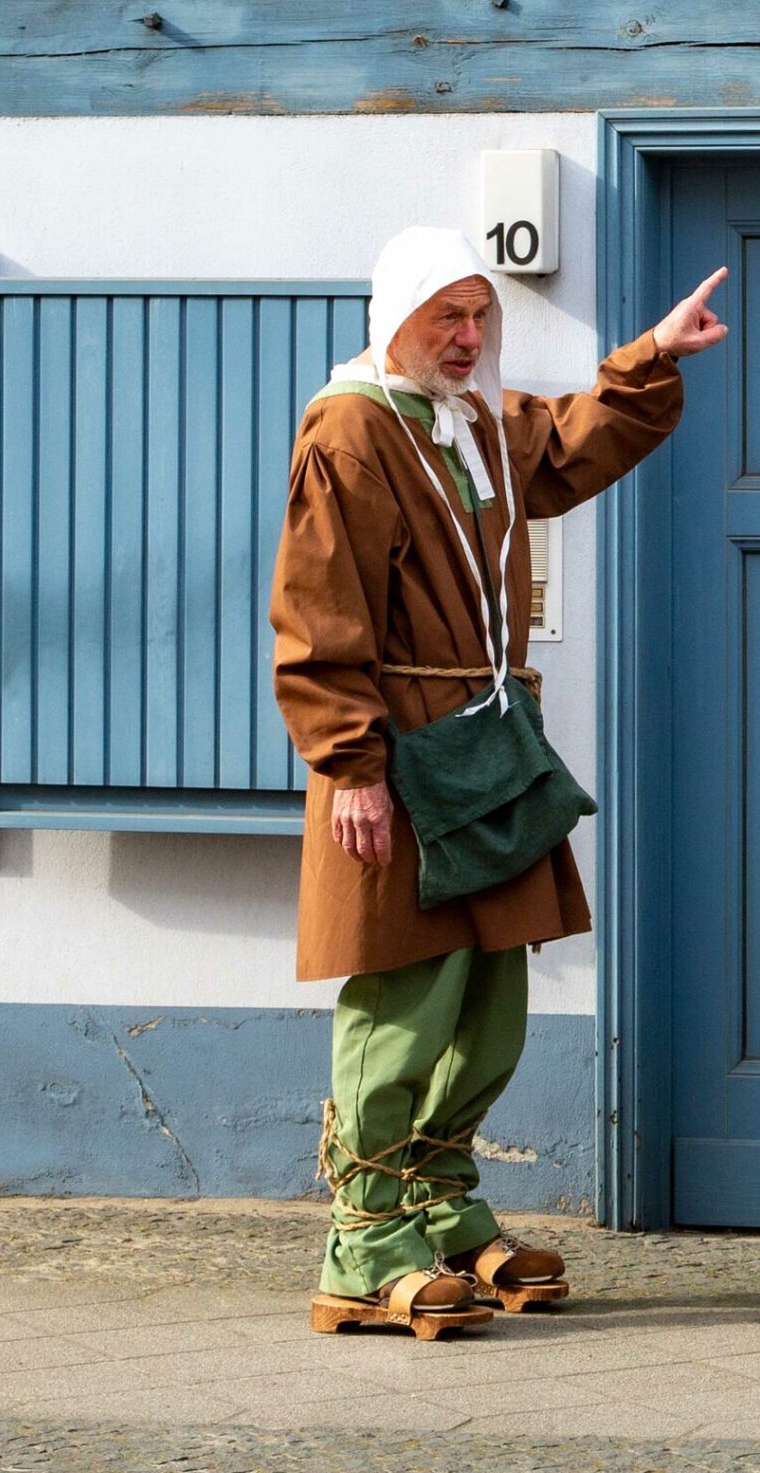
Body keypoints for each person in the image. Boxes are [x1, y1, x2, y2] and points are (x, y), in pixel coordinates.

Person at [270, 227, 728, 1338]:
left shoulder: (472, 420)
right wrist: (353, 767)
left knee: (489, 995)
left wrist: (649, 356)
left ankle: (439, 1204)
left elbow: (570, 443)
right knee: (406, 992)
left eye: (481, 317)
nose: (469, 338)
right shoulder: (352, 427)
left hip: (487, 740)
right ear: (397, 320)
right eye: (448, 318)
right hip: (400, 752)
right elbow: (317, 605)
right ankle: (364, 1240)